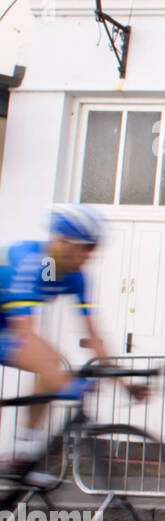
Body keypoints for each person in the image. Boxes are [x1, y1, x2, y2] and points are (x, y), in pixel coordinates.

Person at [0, 206, 124, 486]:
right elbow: (25, 336)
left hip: (3, 322)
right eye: (86, 247)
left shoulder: (75, 277)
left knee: (53, 361)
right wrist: (68, 386)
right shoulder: (30, 262)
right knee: (49, 362)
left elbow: (94, 336)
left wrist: (123, 380)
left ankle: (22, 457)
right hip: (9, 325)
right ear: (64, 241)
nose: (90, 255)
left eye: (94, 248)